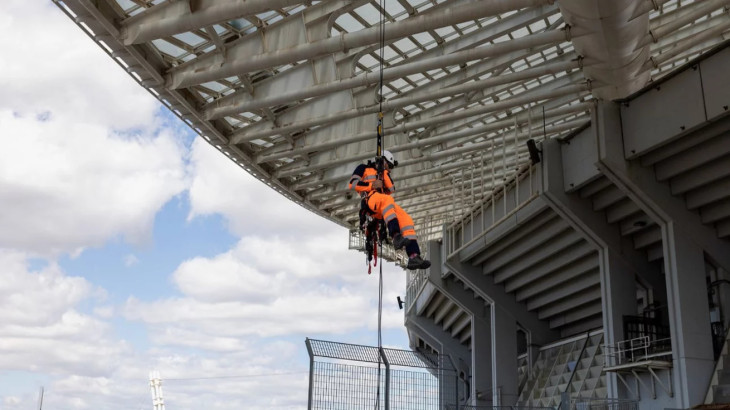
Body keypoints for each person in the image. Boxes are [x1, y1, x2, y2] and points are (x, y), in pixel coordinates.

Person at [349, 150, 431, 270]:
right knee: (387, 200)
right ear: (384, 160)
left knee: (406, 219)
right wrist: (371, 185)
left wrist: (384, 172)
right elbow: (352, 184)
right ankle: (395, 235)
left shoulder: (384, 174)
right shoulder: (363, 168)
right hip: (370, 199)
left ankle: (414, 256)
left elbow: (391, 188)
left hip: (383, 204)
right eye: (390, 166)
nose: (391, 169)